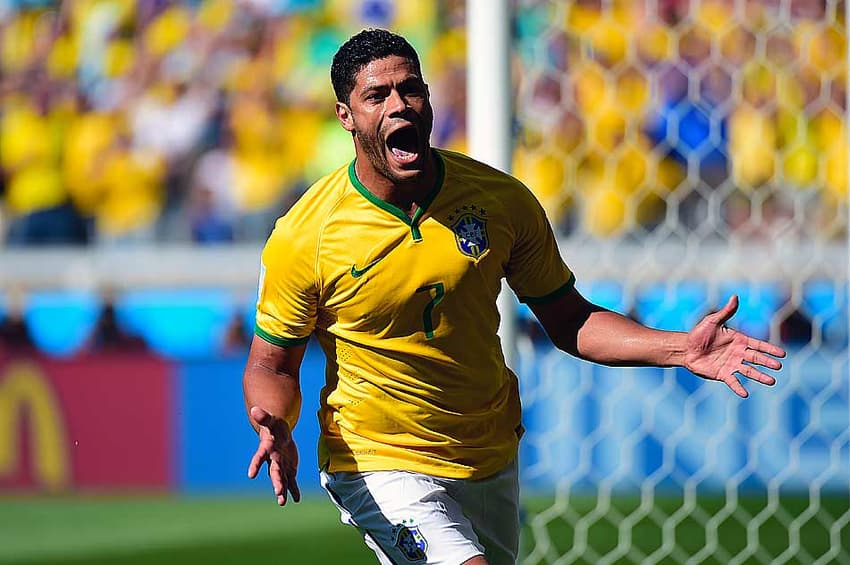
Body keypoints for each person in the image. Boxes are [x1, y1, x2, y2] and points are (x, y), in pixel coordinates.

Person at [242, 28, 786, 565]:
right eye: (377, 96)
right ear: (346, 116)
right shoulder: (307, 235)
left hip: (488, 454)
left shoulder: (500, 202)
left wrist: (679, 349)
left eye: (411, 90)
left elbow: (568, 318)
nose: (399, 107)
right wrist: (275, 420)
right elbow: (273, 365)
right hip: (378, 458)